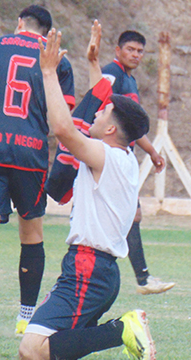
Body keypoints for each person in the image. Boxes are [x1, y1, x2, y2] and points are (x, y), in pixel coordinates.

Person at [19, 21, 156, 360]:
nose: (98, 109)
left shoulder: (106, 156)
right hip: (93, 270)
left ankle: (122, 330)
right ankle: (120, 329)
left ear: (110, 128)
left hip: (88, 269)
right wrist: (94, 64)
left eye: (104, 111)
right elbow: (106, 100)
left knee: (31, 350)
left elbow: (64, 129)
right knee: (38, 352)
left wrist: (49, 73)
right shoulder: (119, 156)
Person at [0, 4, 75, 337]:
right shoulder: (59, 61)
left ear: (19, 23)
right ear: (48, 33)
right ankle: (25, 317)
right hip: (30, 152)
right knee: (32, 235)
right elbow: (60, 121)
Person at [101, 30, 174, 295]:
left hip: (124, 156)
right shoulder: (112, 73)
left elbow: (131, 125)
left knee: (130, 214)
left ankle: (141, 277)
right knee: (128, 214)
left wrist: (152, 152)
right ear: (118, 49)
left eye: (140, 51)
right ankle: (141, 279)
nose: (136, 55)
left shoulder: (129, 80)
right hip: (110, 156)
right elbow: (99, 107)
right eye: (130, 49)